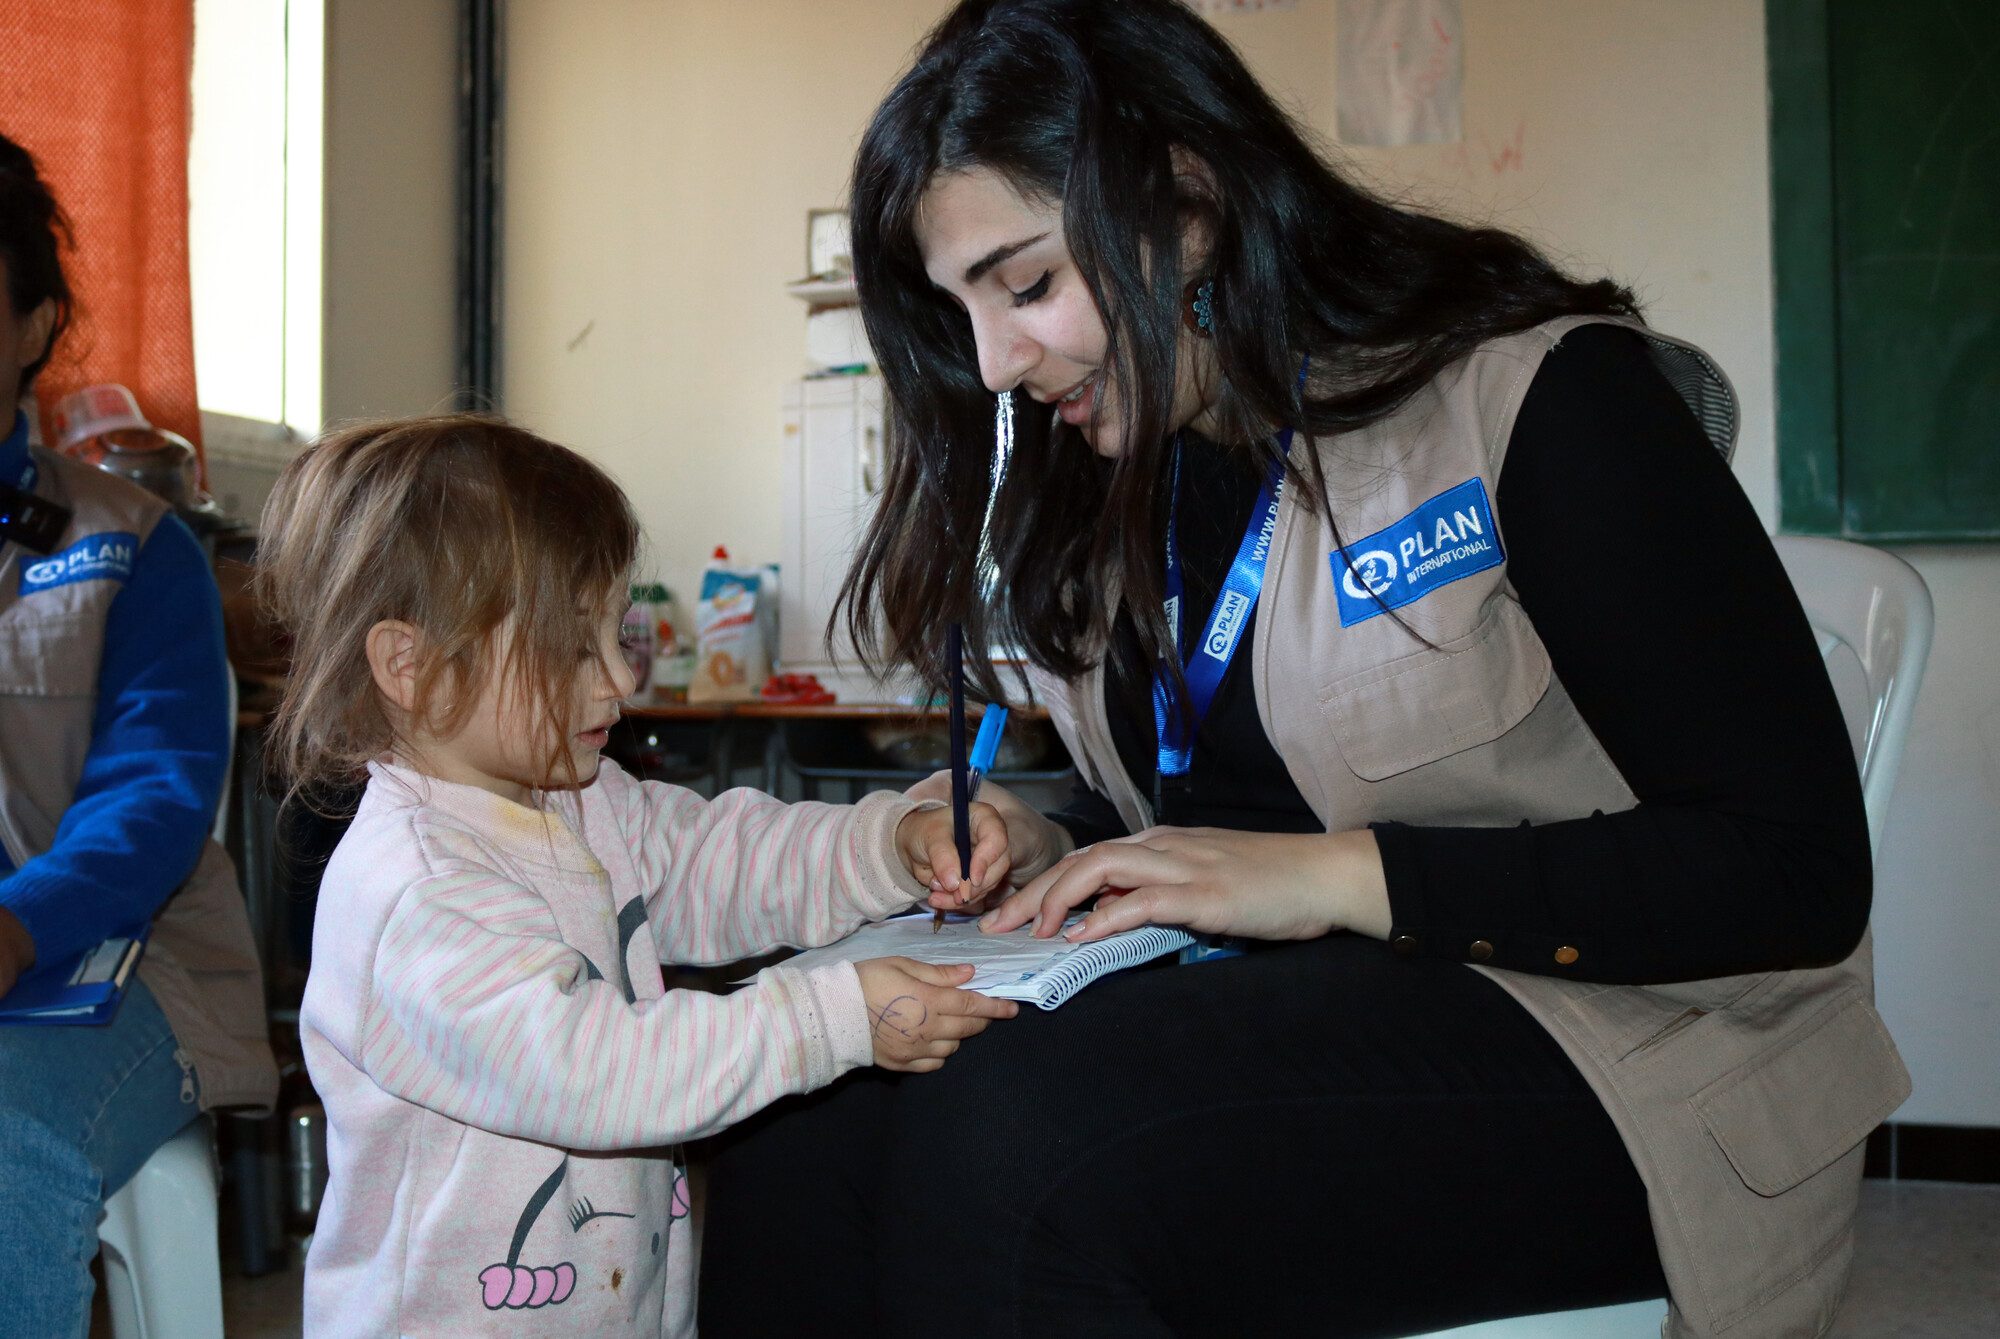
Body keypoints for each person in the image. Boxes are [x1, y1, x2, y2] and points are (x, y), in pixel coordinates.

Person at [696, 3, 1911, 1336]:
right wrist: (1051, 836)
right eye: (958, 309)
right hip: (1279, 1002)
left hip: (1627, 1044)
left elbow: (1792, 869)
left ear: (1190, 203)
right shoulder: (1134, 476)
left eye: (1027, 283)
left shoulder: (1539, 393)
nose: (995, 364)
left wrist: (1339, 877)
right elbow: (1224, 782)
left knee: (1025, 1142)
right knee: (801, 1089)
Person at [257, 413, 1018, 1336]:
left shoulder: (581, 803)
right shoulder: (414, 891)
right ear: (410, 666)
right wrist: (832, 1018)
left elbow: (727, 861)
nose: (620, 678)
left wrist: (888, 844)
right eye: (574, 648)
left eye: (619, 634)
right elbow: (594, 1067)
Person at [0, 133, 277, 1335]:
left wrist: (20, 926)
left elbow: (153, 798)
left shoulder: (128, 545)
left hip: (117, 973)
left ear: (31, 323)